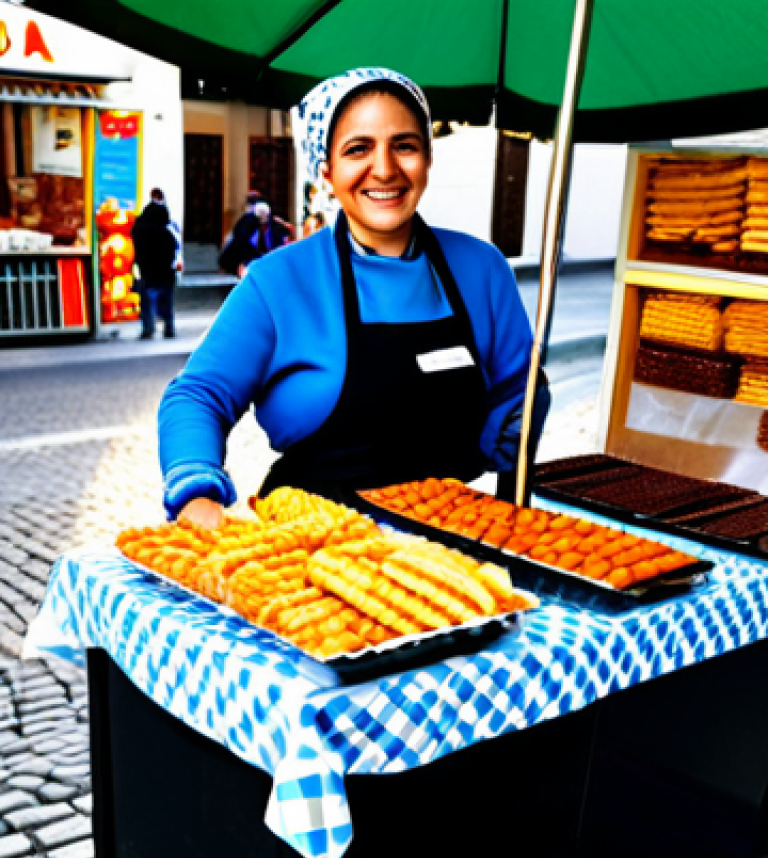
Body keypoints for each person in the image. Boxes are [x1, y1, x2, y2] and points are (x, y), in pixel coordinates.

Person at [159, 67, 550, 528]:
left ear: (427, 159)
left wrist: (514, 426)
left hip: (451, 540)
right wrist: (197, 494)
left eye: (404, 146)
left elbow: (517, 396)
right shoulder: (279, 281)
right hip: (311, 544)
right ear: (327, 171)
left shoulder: (482, 269)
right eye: (357, 149)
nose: (384, 169)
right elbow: (199, 395)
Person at [132, 188, 180, 339]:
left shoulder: (141, 226)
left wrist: (139, 262)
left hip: (147, 268)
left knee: (147, 300)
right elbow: (174, 246)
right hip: (165, 269)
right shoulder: (167, 227)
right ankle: (169, 327)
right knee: (166, 299)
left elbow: (136, 245)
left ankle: (148, 328)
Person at [219, 194, 291, 277]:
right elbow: (238, 241)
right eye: (260, 216)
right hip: (250, 260)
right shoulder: (247, 224)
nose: (262, 219)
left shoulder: (275, 227)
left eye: (265, 215)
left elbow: (282, 238)